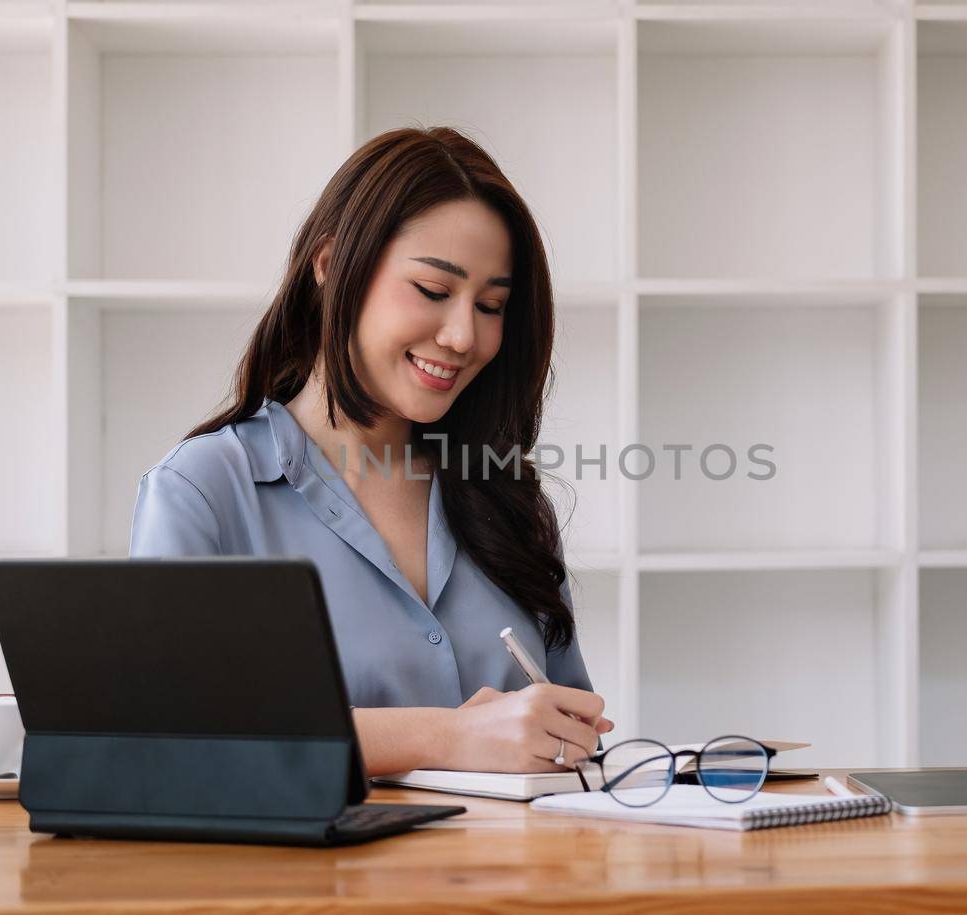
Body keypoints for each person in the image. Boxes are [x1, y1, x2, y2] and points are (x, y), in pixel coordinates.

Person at [129, 126, 613, 777]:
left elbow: (572, 738)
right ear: (330, 266)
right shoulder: (206, 491)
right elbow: (169, 734)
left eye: (492, 304)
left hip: (515, 877)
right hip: (301, 881)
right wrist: (446, 737)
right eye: (434, 291)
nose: (464, 335)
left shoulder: (507, 500)